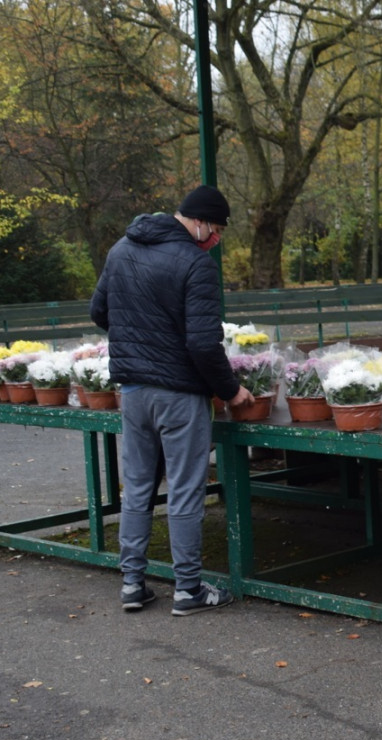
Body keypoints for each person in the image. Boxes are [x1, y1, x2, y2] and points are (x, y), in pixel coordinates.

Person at [90, 184, 254, 616]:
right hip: (179, 396)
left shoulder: (121, 249)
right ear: (198, 221)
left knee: (139, 487)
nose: (215, 237)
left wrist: (141, 341)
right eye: (215, 228)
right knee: (184, 489)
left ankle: (132, 584)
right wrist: (231, 389)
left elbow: (99, 311)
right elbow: (202, 344)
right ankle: (187, 589)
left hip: (133, 393)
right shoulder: (194, 264)